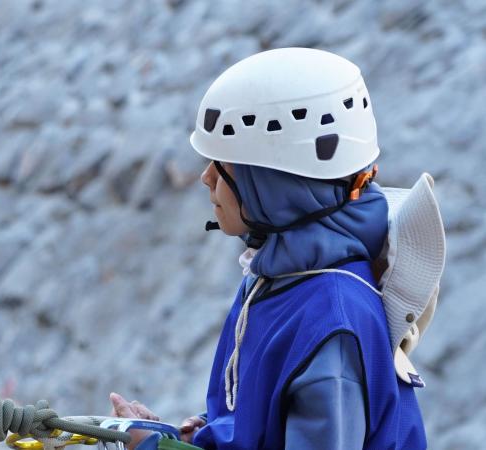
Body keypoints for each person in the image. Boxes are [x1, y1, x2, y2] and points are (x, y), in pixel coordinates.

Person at [109, 48, 443, 449]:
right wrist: (197, 434)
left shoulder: (332, 326)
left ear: (276, 183)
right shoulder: (280, 275)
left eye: (224, 164)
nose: (205, 177)